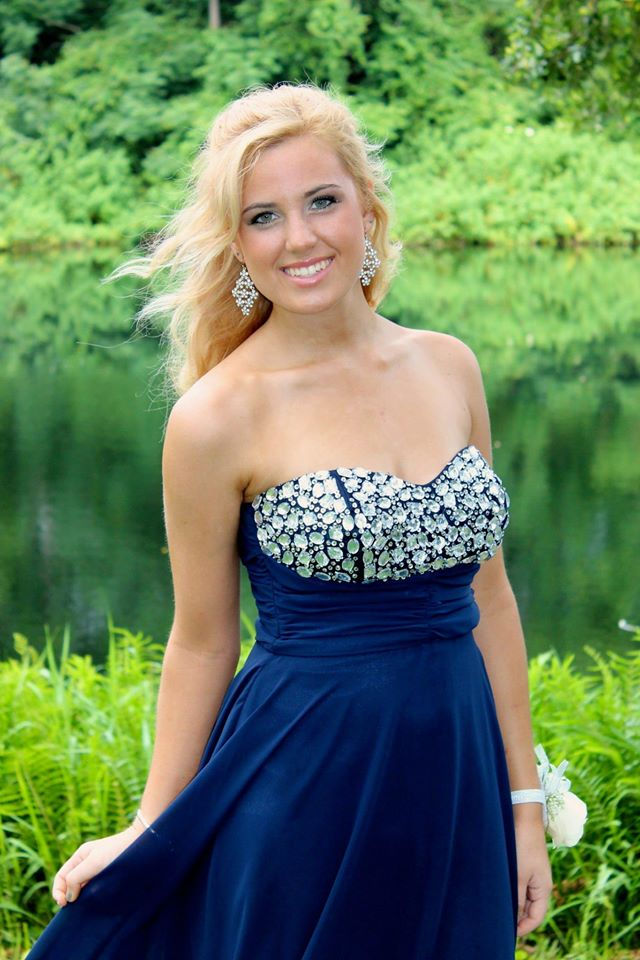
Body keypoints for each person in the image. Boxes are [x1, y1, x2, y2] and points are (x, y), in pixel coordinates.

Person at [26, 81, 552, 959]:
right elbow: (203, 642)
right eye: (263, 217)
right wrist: (152, 823)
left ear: (367, 209)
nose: (300, 238)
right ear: (237, 243)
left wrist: (524, 805)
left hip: (456, 776)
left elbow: (490, 600)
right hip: (304, 778)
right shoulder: (216, 418)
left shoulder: (449, 367)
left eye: (322, 201)